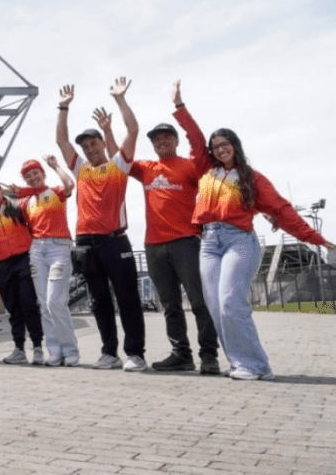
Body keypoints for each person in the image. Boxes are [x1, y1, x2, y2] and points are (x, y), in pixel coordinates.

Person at [193, 128, 334, 380]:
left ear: (235, 145)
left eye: (225, 144)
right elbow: (193, 136)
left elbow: (281, 209)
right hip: (209, 243)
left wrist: (315, 238)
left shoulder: (252, 178)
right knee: (216, 308)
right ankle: (239, 363)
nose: (221, 149)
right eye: (215, 146)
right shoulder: (206, 172)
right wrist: (180, 107)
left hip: (239, 242)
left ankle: (256, 366)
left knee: (230, 303)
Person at [125, 80, 219, 374]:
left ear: (175, 141)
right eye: (156, 139)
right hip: (154, 246)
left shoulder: (191, 165)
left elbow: (199, 141)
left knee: (199, 301)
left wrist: (180, 107)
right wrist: (120, 106)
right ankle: (181, 354)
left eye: (167, 137)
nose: (161, 141)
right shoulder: (145, 169)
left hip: (185, 242)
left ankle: (209, 356)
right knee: (170, 305)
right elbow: (121, 156)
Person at [55, 78, 147, 372]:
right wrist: (63, 107)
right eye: (86, 145)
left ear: (103, 144)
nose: (90, 148)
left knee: (128, 298)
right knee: (98, 301)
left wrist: (120, 100)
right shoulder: (80, 169)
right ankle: (110, 353)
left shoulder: (118, 165)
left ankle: (135, 354)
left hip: (114, 240)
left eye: (94, 143)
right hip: (85, 244)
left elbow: (133, 130)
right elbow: (61, 140)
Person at [12, 155, 80, 367]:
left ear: (42, 173)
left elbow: (70, 184)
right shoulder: (26, 202)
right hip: (37, 251)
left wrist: (55, 165)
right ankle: (55, 351)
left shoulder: (56, 192)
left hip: (59, 248)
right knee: (43, 304)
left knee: (55, 302)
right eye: (28, 176)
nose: (32, 178)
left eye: (35, 173)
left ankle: (71, 351)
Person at [0, 180, 44, 365]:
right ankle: (19, 349)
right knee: (13, 308)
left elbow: (35, 225)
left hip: (24, 259)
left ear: (0, 190)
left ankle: (38, 348)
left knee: (29, 304)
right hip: (2, 265)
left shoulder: (18, 206)